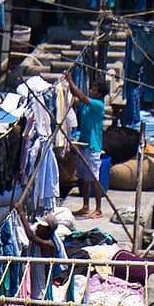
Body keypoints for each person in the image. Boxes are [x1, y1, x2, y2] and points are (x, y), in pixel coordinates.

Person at [68, 74, 107, 219]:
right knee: (83, 177)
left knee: (94, 178)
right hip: (83, 144)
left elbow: (81, 97)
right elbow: (76, 97)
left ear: (100, 94)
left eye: (94, 90)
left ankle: (98, 208)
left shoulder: (98, 105)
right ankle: (85, 206)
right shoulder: (86, 105)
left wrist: (71, 80)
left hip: (93, 146)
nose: (91, 91)